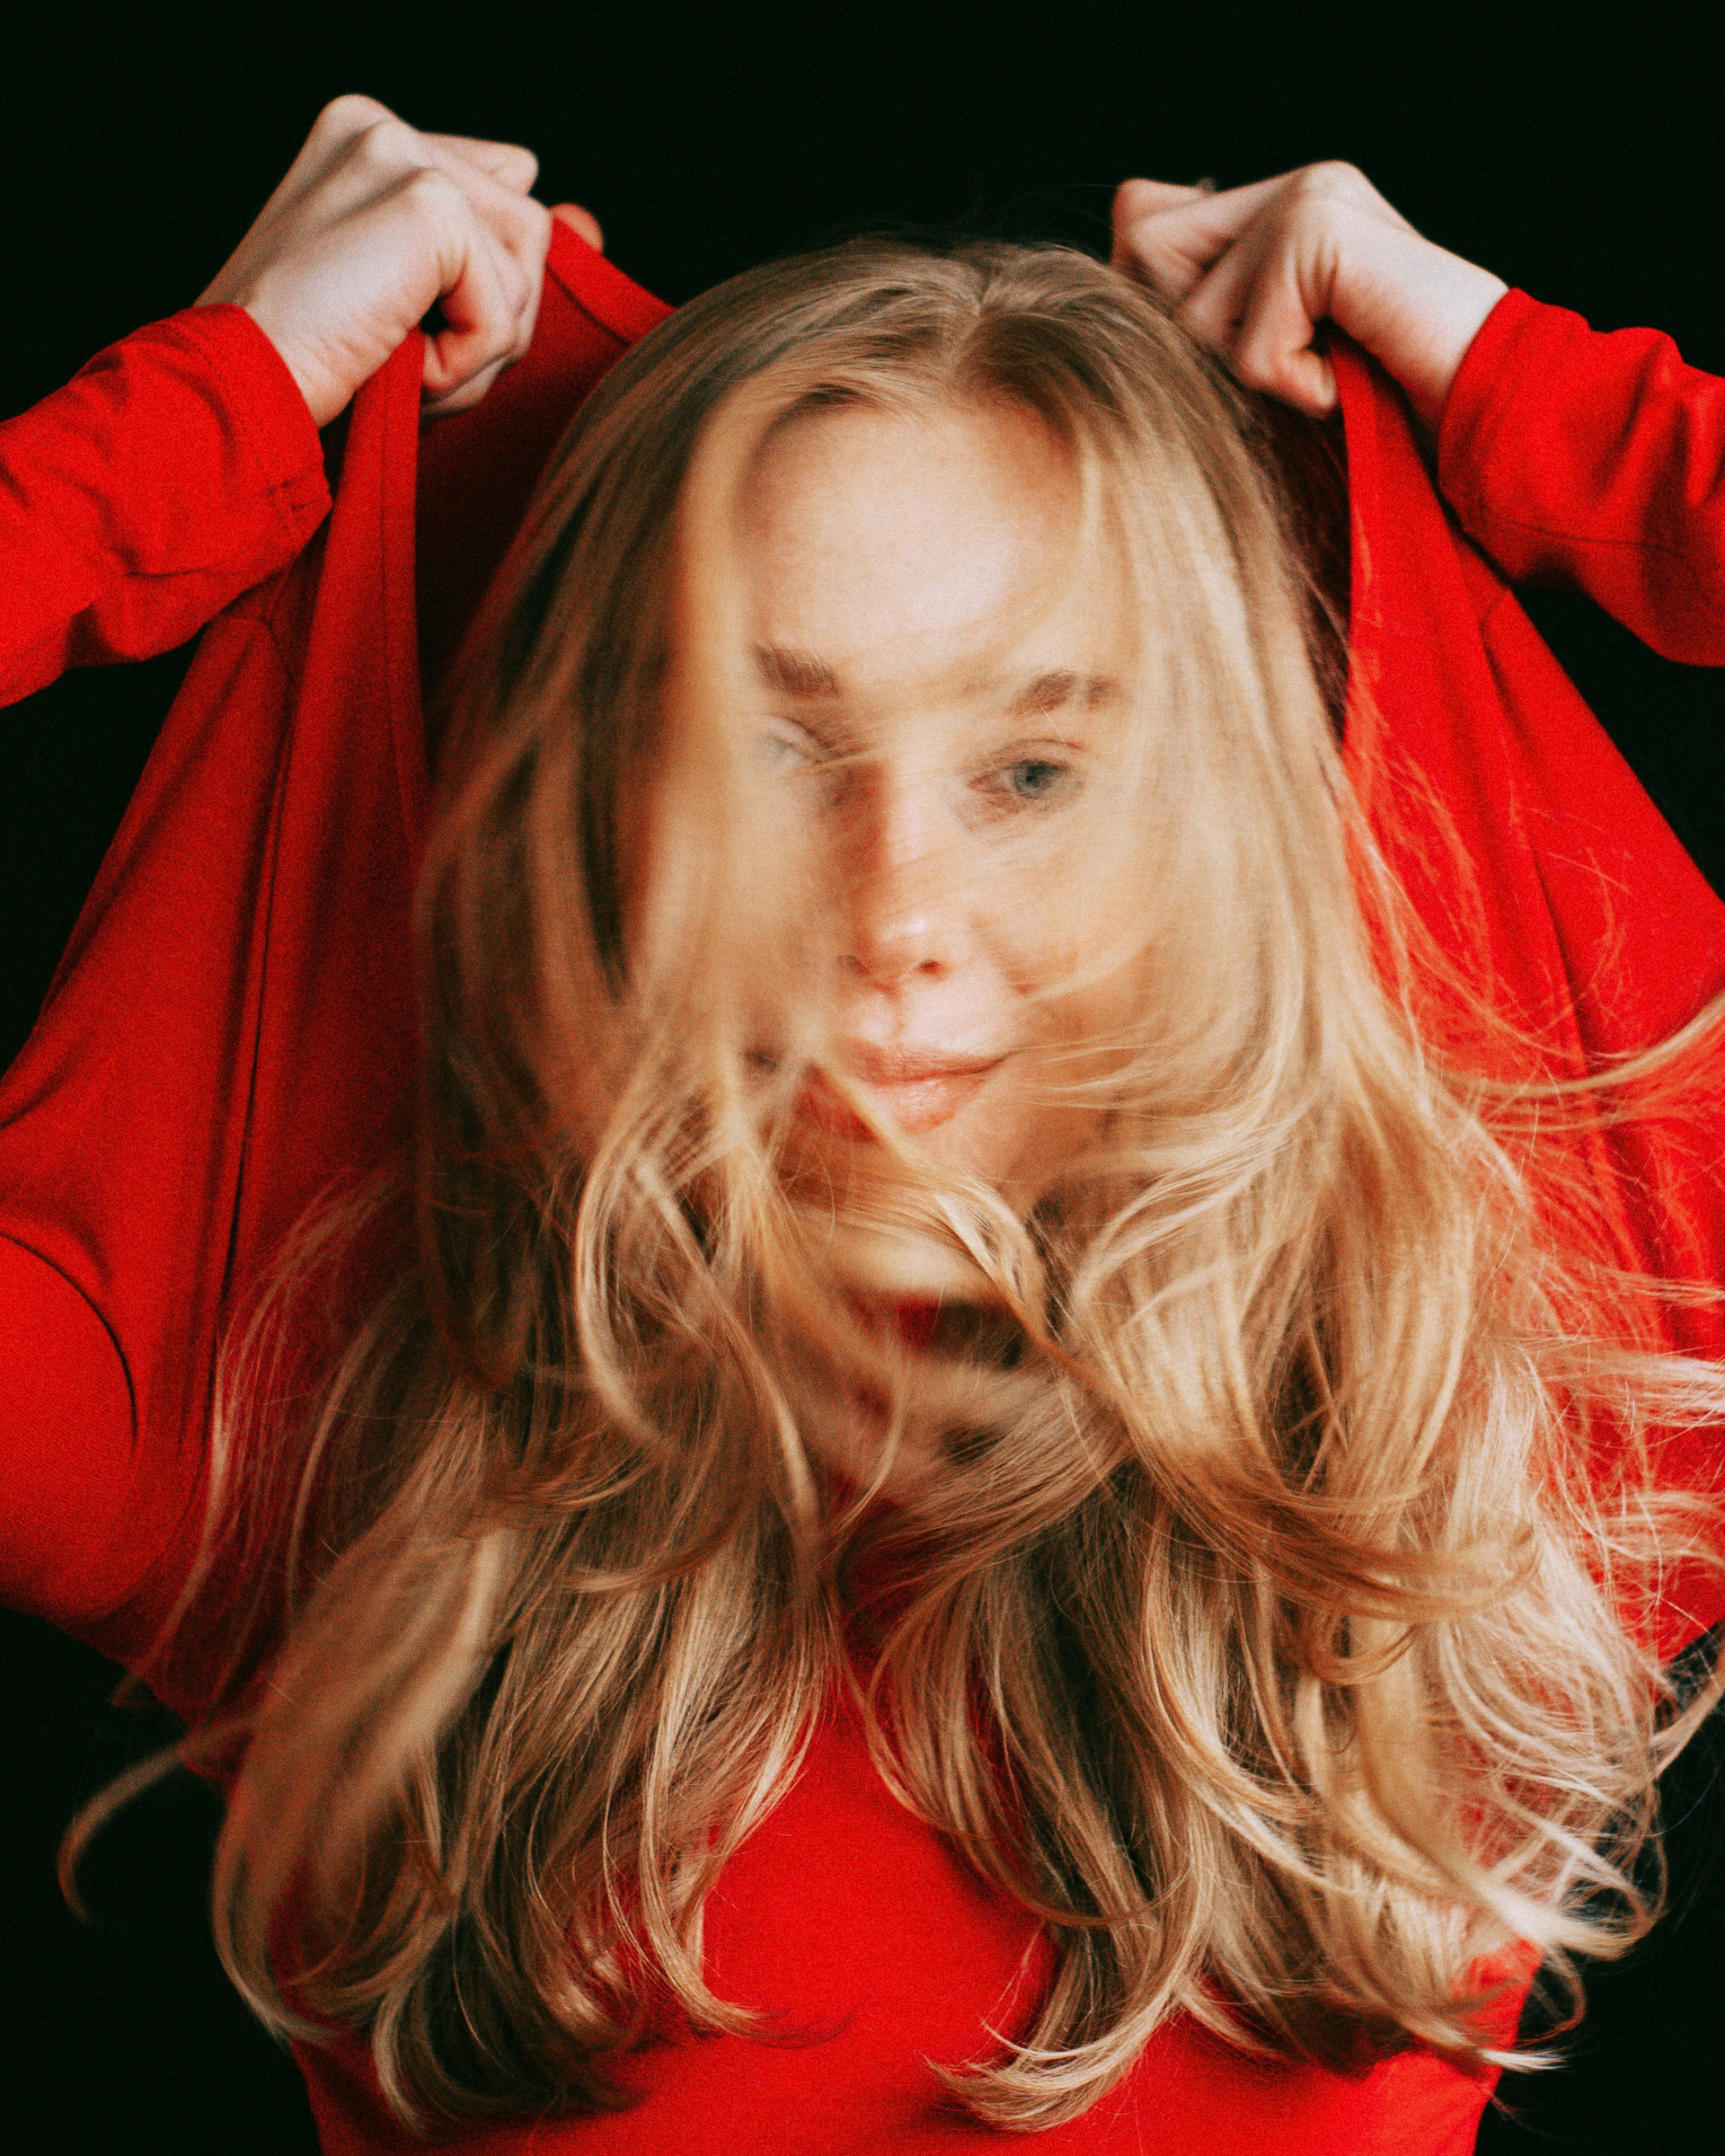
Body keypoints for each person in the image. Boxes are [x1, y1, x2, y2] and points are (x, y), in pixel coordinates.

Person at [2, 93, 1723, 2156]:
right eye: (763, 745)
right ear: (589, 808)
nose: (894, 911)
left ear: (1215, 817)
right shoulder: (270, 1381)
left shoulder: (1546, 1346)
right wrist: (194, 418)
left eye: (1032, 769)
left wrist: (1545, 402)